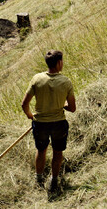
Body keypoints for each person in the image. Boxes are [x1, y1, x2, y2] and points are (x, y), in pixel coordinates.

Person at [21, 49, 76, 192]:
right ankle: (54, 180)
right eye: (62, 61)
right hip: (59, 124)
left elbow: (24, 104)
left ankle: (38, 178)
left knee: (41, 150)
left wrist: (29, 115)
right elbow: (72, 108)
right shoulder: (66, 82)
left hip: (40, 124)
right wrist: (62, 105)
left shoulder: (37, 79)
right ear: (59, 63)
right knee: (58, 153)